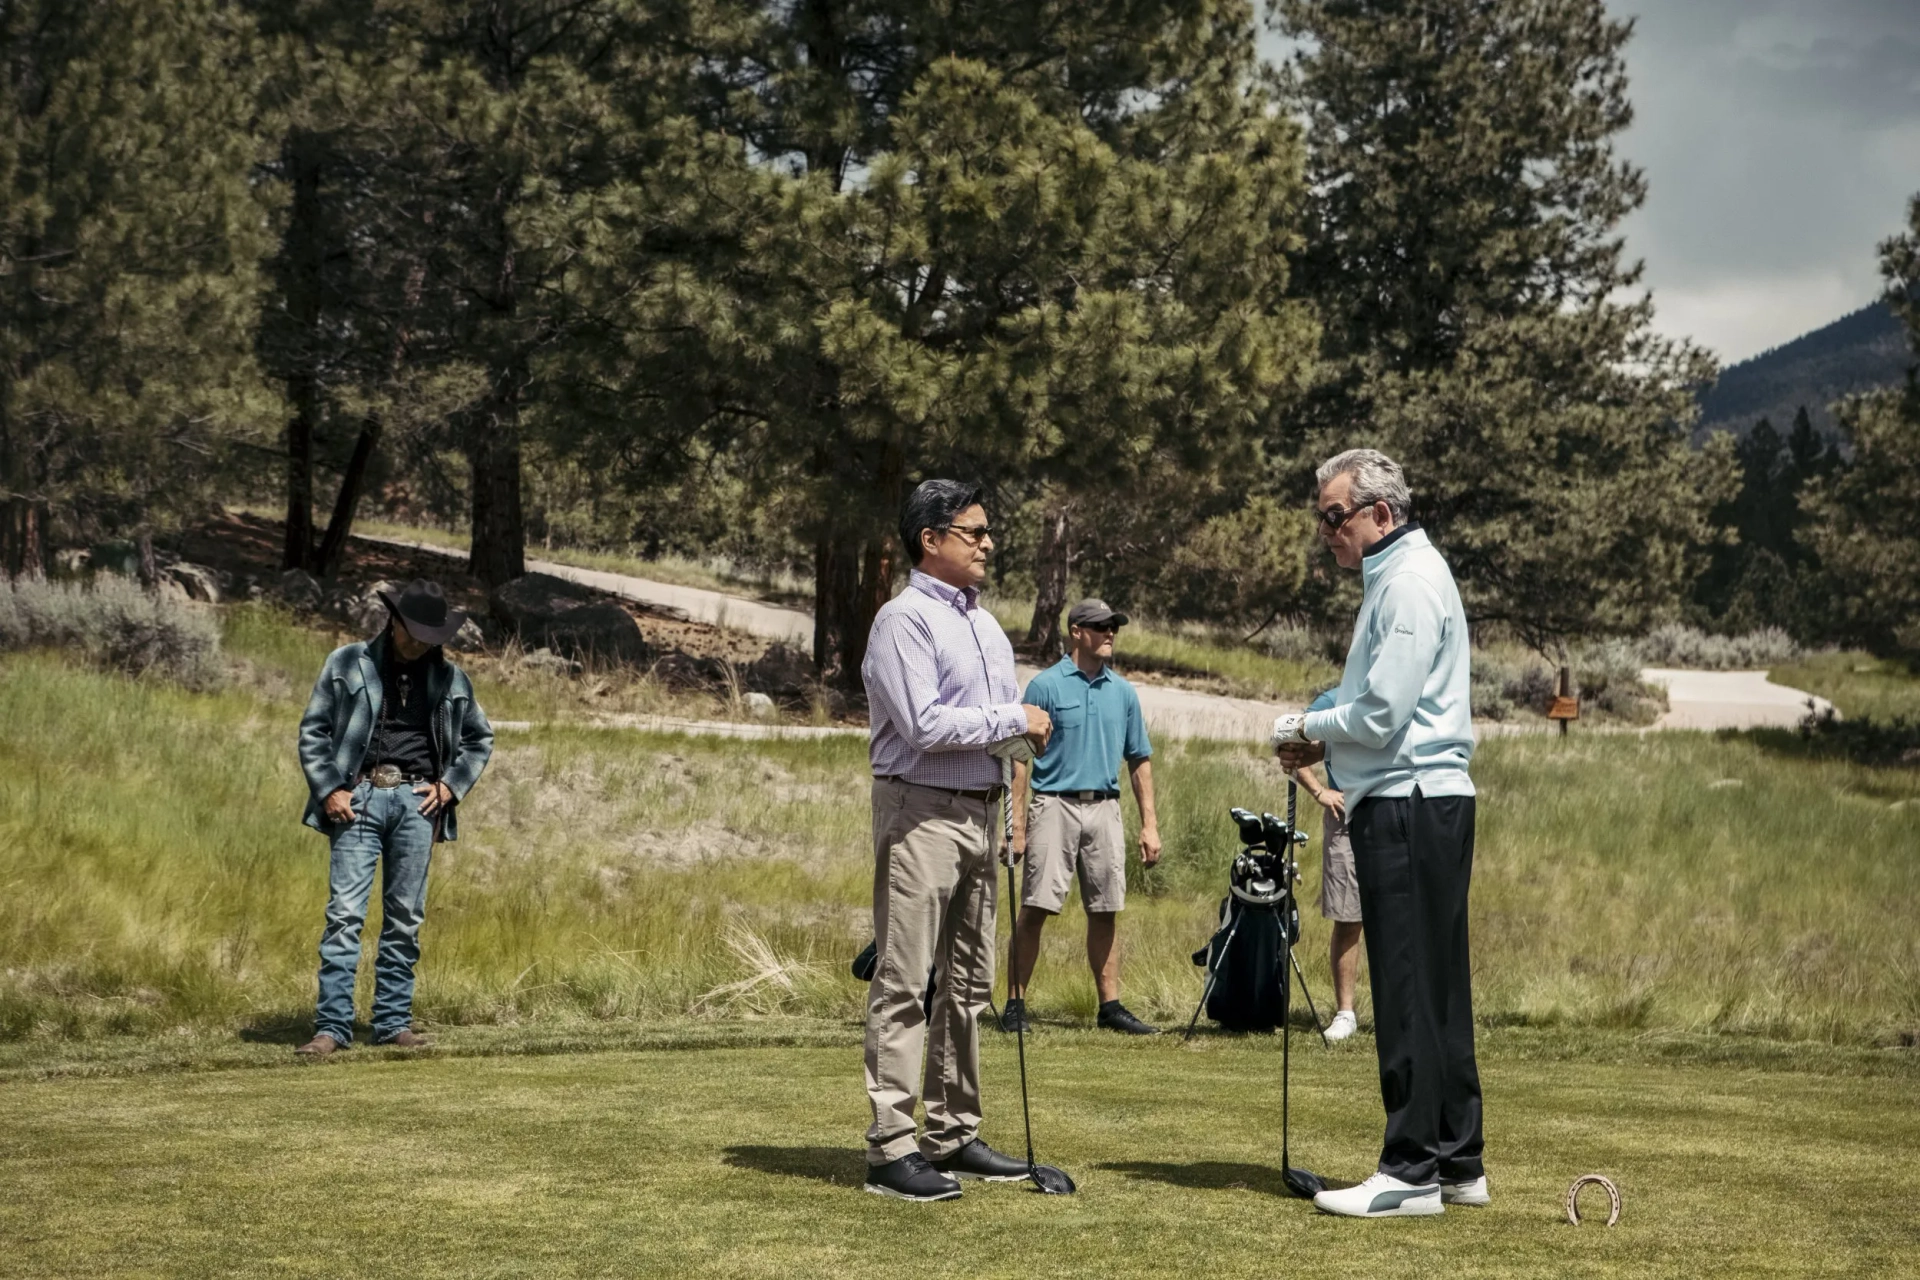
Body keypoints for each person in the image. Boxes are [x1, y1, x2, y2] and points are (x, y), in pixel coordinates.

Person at [1272, 448, 1487, 1218]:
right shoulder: (1403, 577)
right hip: (1422, 799)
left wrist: (1304, 725)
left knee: (1404, 987)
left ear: (1380, 515)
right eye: (1322, 519)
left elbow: (1381, 715)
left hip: (1408, 800)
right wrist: (1328, 730)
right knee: (1436, 985)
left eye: (1335, 517)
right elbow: (1373, 703)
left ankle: (1410, 1171)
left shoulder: (1405, 583)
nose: (1326, 532)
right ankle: (1459, 1160)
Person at [858, 479, 1053, 1202]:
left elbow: (1007, 732)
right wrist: (1014, 719)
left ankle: (951, 1133)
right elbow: (924, 725)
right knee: (906, 980)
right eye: (973, 533)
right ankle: (890, 1147)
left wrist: (1018, 797)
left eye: (985, 532)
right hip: (919, 812)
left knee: (968, 986)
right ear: (930, 540)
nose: (987, 544)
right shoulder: (902, 621)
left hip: (981, 811)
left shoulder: (987, 627)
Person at [293, 579, 494, 1058]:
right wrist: (329, 789)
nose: (423, 642)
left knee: (405, 919)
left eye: (432, 635)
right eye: (416, 631)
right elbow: (313, 729)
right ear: (394, 621)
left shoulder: (449, 679)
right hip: (357, 797)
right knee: (344, 916)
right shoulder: (347, 662)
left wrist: (450, 787)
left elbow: (479, 738)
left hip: (417, 802)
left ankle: (392, 1023)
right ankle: (332, 1028)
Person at [1002, 598, 1161, 1036]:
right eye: (1100, 627)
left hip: (1106, 807)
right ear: (1076, 631)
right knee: (1035, 907)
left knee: (1106, 908)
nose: (1110, 633)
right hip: (1053, 803)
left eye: (1114, 627)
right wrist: (1016, 827)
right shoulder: (1045, 686)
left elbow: (1139, 760)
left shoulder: (1124, 692)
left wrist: (1149, 824)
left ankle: (1109, 1007)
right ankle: (1015, 1004)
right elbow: (1019, 760)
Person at [1293, 687, 1362, 1044]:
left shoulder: (1395, 690)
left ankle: (1399, 1008)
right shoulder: (1333, 700)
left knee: (1395, 917)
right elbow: (1290, 749)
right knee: (1348, 918)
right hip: (1345, 815)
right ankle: (1345, 1012)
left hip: (1391, 812)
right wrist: (1320, 791)